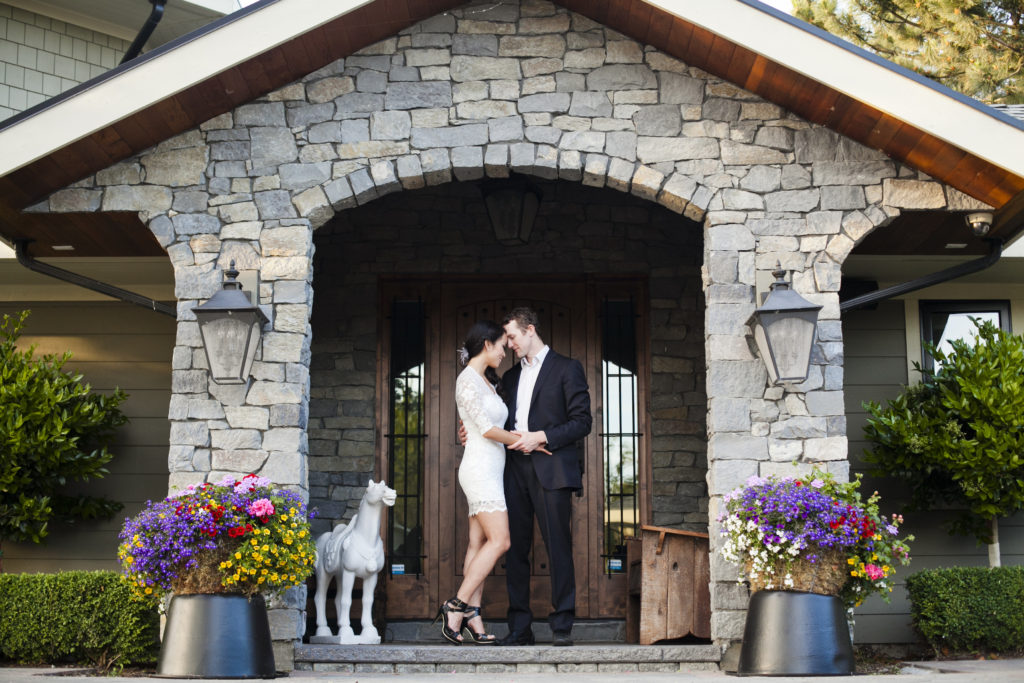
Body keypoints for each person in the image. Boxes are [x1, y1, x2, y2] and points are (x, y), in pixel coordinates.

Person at [436, 320, 548, 645]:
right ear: (487, 344)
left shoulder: (485, 381)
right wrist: (527, 440)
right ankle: (455, 605)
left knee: (477, 543)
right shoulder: (466, 381)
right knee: (501, 541)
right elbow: (485, 430)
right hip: (480, 470)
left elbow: (476, 426)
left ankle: (473, 615)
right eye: (501, 346)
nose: (504, 352)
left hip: (492, 469)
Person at [497, 307, 592, 647]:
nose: (509, 344)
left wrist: (542, 436)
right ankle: (520, 628)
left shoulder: (568, 368)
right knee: (515, 551)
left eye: (512, 336)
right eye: (506, 338)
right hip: (514, 470)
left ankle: (562, 625)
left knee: (558, 548)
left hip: (551, 468)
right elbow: (499, 421)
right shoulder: (509, 378)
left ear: (530, 330)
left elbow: (583, 422)